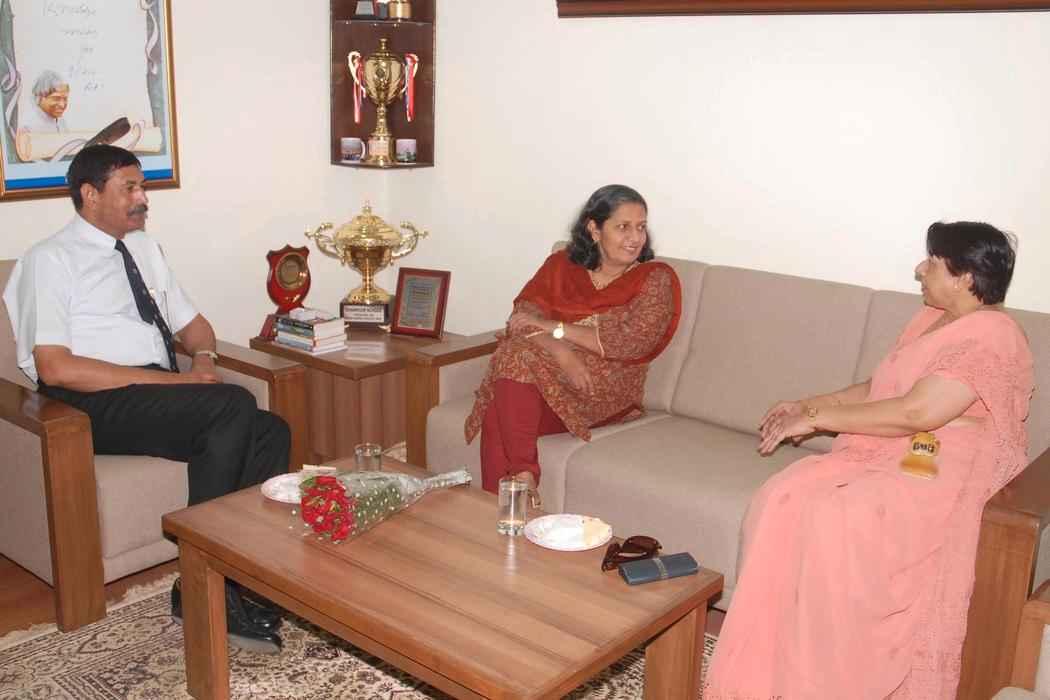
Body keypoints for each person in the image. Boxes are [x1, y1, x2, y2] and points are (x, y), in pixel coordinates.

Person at [704, 222, 1034, 699]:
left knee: (839, 519)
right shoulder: (932, 317)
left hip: (941, 465)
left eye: (932, 263)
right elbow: (882, 388)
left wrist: (817, 421)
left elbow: (919, 412)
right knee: (780, 497)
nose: (919, 270)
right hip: (891, 448)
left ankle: (830, 682)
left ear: (964, 277)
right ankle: (772, 675)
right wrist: (808, 405)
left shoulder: (995, 335)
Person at [2, 145, 290, 654]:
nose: (143, 198)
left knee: (271, 429)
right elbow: (55, 367)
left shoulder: (144, 249)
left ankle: (236, 576)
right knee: (231, 406)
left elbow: (196, 327)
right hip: (85, 403)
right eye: (129, 188)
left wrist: (202, 361)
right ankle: (202, 582)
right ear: (90, 194)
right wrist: (184, 385)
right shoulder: (49, 260)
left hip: (150, 389)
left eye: (143, 187)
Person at [464, 184, 682, 497]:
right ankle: (521, 482)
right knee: (507, 385)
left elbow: (631, 342)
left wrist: (554, 327)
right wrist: (560, 350)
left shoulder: (653, 278)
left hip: (601, 388)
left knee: (506, 387)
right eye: (623, 227)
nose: (635, 238)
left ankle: (505, 502)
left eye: (641, 227)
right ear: (594, 229)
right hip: (547, 376)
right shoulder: (562, 266)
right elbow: (522, 317)